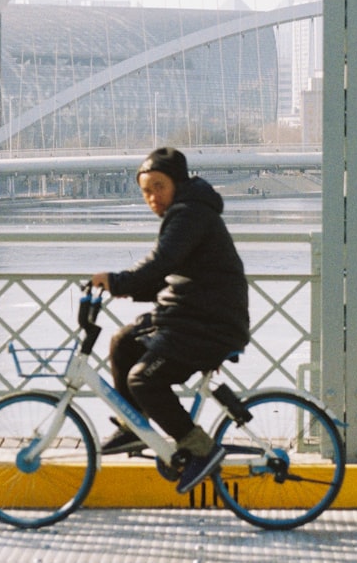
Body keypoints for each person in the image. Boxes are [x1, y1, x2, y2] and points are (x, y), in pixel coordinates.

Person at [90, 147, 250, 494]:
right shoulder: (185, 212)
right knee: (123, 341)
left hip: (210, 323)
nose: (152, 197)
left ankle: (201, 450)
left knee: (144, 379)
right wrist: (123, 286)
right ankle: (132, 427)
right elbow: (167, 276)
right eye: (146, 191)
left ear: (177, 183)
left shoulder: (191, 214)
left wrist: (117, 281)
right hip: (189, 315)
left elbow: (162, 262)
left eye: (158, 187)